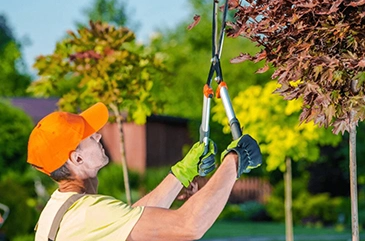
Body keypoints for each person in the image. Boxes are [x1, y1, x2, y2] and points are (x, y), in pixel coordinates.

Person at [27, 102, 262, 241]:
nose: (98, 135)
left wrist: (182, 173)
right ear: (76, 158)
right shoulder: (88, 213)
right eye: (89, 135)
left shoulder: (61, 208)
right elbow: (189, 226)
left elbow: (130, 218)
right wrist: (235, 160)